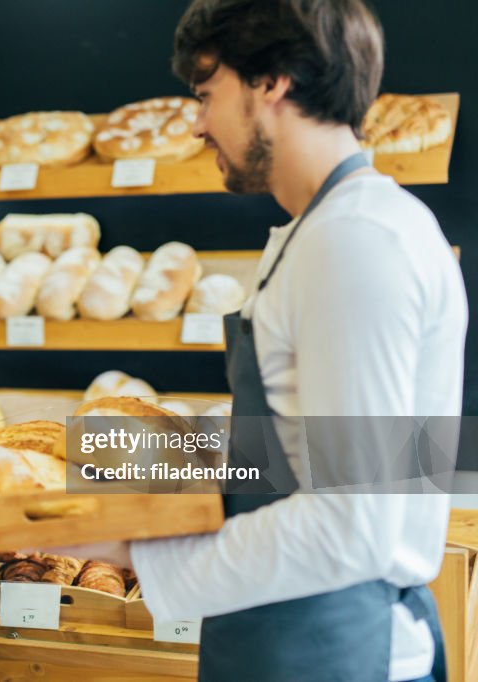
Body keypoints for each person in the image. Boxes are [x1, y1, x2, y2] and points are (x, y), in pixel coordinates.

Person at [59, 2, 468, 680]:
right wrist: (107, 455)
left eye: (205, 92)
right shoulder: (322, 232)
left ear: (271, 82)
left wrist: (139, 549)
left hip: (337, 649)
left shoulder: (356, 243)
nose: (196, 124)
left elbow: (351, 521)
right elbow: (293, 454)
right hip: (279, 636)